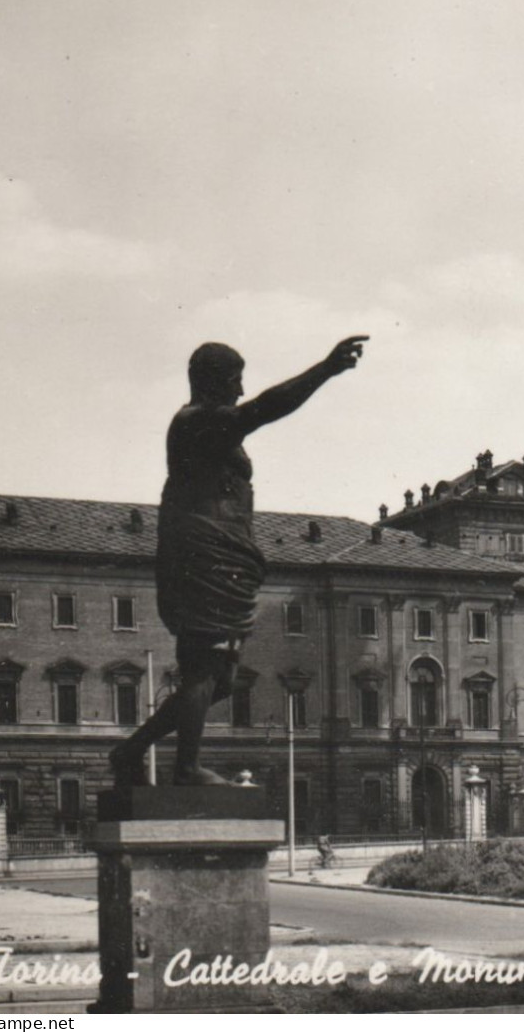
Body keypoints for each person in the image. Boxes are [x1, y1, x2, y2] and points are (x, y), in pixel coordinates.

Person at [110, 336, 368, 787]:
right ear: (211, 382)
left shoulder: (206, 425)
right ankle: (186, 769)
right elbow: (263, 409)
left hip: (223, 555)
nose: (241, 389)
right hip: (202, 556)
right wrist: (325, 369)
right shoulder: (195, 423)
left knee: (223, 679)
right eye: (234, 380)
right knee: (205, 669)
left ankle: (131, 750)